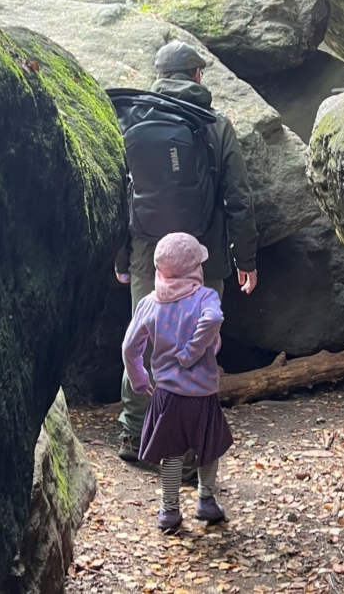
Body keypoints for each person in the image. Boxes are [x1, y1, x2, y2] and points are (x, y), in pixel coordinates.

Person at [115, 41, 259, 462]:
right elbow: (239, 198)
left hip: (148, 256)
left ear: (158, 78)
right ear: (197, 76)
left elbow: (119, 194)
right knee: (197, 349)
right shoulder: (214, 125)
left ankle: (134, 434)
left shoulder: (131, 122)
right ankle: (193, 447)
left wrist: (121, 258)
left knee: (141, 342)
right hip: (204, 256)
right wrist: (244, 260)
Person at [122, 232, 234, 531]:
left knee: (171, 453)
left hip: (167, 393)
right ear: (194, 268)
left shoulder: (149, 302)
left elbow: (130, 347)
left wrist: (138, 377)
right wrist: (192, 353)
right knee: (209, 448)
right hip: (202, 394)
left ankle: (169, 511)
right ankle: (206, 501)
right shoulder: (205, 297)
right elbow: (213, 320)